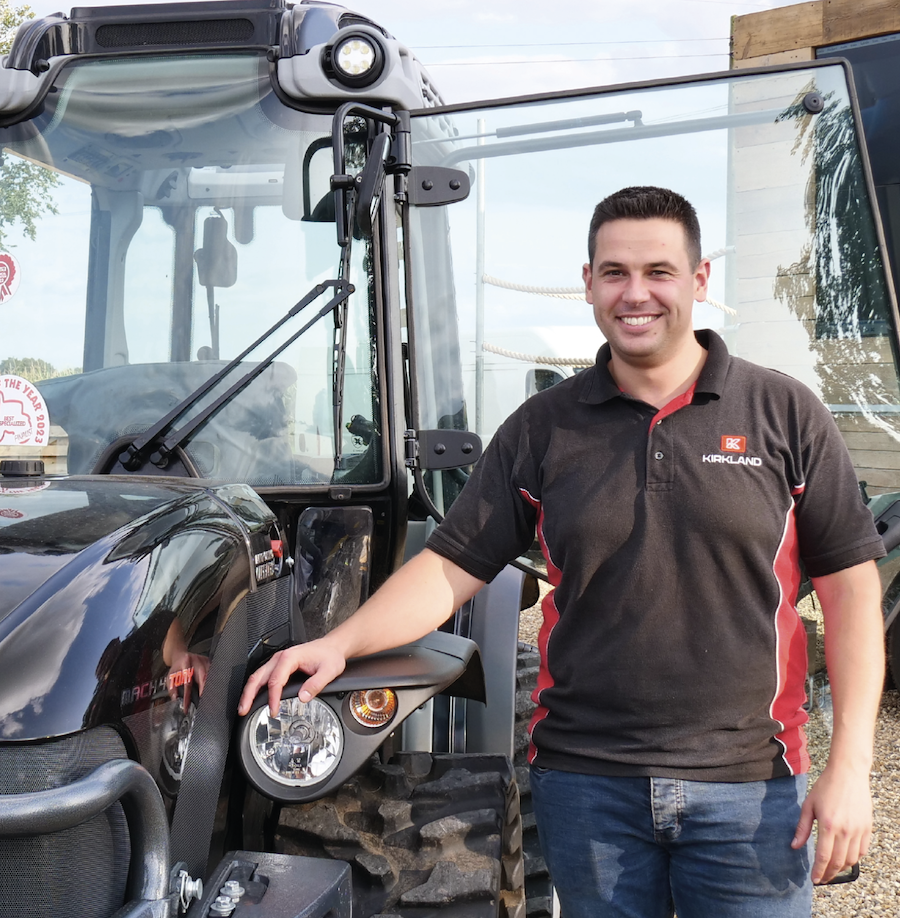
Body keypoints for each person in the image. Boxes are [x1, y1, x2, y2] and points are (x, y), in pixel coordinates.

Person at [239, 186, 885, 917]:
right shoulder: (544, 429)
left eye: (659, 272)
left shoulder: (783, 414)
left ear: (700, 282)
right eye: (614, 272)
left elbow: (852, 593)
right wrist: (339, 644)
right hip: (589, 789)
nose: (635, 293)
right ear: (588, 283)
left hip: (751, 789)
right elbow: (453, 566)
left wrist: (851, 769)